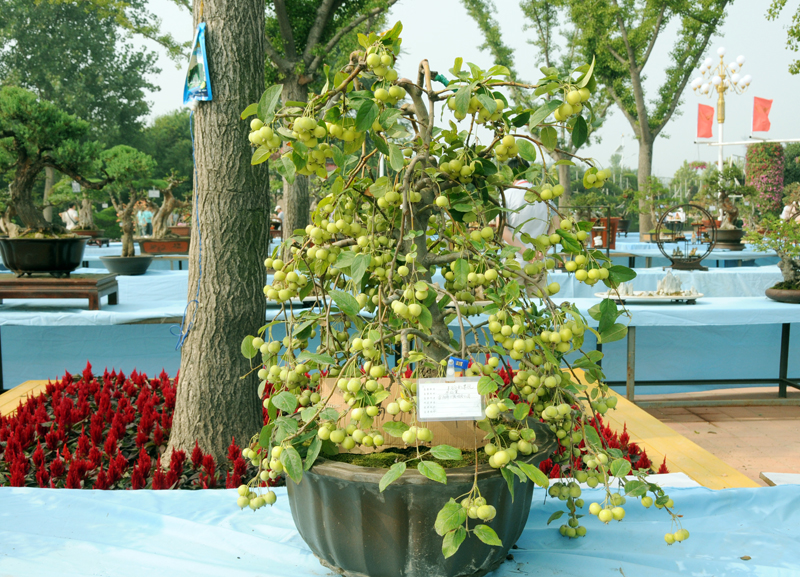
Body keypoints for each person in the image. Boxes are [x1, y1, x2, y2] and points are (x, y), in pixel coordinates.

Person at [501, 158, 551, 259]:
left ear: (510, 174)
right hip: (540, 260)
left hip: (513, 260)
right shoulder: (545, 195)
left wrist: (527, 254)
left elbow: (502, 229)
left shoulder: (506, 195)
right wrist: (543, 251)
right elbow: (556, 225)